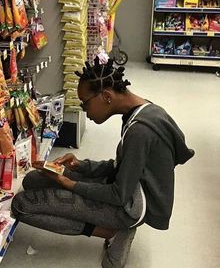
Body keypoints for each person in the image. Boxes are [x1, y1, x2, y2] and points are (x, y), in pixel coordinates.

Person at [11, 57, 194, 268]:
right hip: (129, 187)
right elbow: (122, 166)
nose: (84, 111)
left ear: (106, 96)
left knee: (21, 205)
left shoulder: (140, 131)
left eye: (85, 103)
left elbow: (118, 195)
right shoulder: (143, 111)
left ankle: (112, 231)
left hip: (130, 207)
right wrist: (82, 165)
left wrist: (67, 183)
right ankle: (106, 221)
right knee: (34, 179)